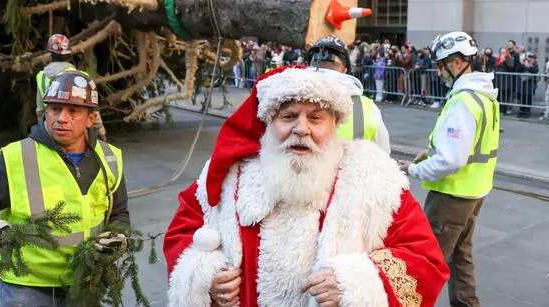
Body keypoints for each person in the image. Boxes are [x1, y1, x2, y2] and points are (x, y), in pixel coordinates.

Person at [164, 66, 449, 307]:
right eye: (288, 116)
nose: (302, 129)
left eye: (315, 118)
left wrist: (356, 283)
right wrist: (205, 277)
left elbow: (426, 261)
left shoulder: (375, 178)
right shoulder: (229, 174)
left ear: (334, 124)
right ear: (269, 123)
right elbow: (182, 232)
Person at [0, 71, 130, 306]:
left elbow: (118, 213)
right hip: (26, 285)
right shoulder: (16, 156)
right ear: (45, 112)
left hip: (85, 280)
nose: (61, 118)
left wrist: (119, 238)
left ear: (91, 118)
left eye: (73, 111)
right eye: (55, 109)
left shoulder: (110, 157)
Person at [399, 31, 500, 307]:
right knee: (460, 256)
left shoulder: (463, 101)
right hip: (474, 193)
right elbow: (470, 147)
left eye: (441, 65)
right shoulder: (484, 96)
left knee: (427, 264)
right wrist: (429, 154)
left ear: (456, 63)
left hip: (450, 198)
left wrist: (414, 171)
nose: (439, 72)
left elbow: (451, 161)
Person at [306, 34, 391, 153]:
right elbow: (384, 157)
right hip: (351, 170)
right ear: (345, 70)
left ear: (310, 64)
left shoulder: (289, 96)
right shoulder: (369, 109)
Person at [37, 33, 107, 141]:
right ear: (69, 54)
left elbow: (40, 110)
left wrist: (43, 133)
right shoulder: (81, 78)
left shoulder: (41, 76)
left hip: (51, 130)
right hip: (75, 132)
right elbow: (93, 110)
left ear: (51, 54)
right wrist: (100, 130)